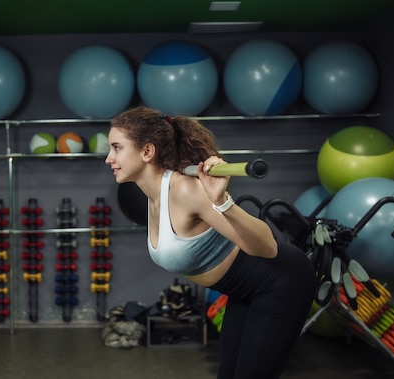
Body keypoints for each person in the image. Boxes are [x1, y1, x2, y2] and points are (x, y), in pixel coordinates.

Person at [105, 106, 317, 379]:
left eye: (116, 148)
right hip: (244, 290)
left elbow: (268, 248)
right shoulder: (152, 195)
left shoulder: (185, 190)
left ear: (147, 152)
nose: (109, 158)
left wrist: (221, 201)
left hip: (281, 281)